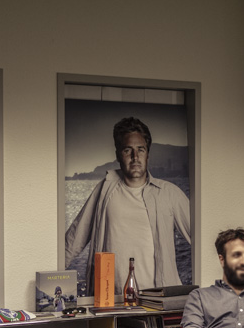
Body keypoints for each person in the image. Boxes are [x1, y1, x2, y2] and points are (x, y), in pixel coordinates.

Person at [65, 117, 191, 295]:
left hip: (158, 300)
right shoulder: (104, 190)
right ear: (118, 155)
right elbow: (74, 239)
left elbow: (202, 239)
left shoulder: (169, 193)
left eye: (141, 150)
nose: (135, 157)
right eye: (127, 150)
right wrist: (47, 279)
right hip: (111, 300)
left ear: (148, 154)